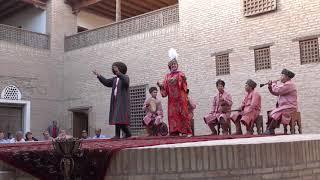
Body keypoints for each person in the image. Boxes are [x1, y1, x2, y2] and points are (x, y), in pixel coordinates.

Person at [157, 48, 192, 136]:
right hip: (172, 101)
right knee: (173, 116)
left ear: (177, 65)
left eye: (174, 64)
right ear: (169, 66)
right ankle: (174, 131)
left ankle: (186, 131)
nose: (173, 66)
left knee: (183, 114)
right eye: (171, 64)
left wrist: (178, 79)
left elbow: (183, 81)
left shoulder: (180, 73)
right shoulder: (167, 76)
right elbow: (165, 90)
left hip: (181, 98)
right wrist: (160, 86)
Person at [93, 61, 132, 139]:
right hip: (115, 101)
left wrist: (118, 72)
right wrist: (99, 76)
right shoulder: (114, 79)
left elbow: (126, 82)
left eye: (116, 68)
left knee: (118, 118)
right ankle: (128, 133)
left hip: (122, 102)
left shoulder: (125, 77)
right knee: (117, 119)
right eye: (114, 68)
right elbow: (106, 82)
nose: (114, 70)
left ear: (120, 69)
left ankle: (118, 135)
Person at [264, 69, 298, 135]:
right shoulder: (284, 85)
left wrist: (273, 84)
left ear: (287, 77)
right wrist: (270, 87)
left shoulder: (289, 85)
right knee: (271, 112)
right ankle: (270, 129)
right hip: (284, 106)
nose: (280, 77)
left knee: (278, 112)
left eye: (282, 75)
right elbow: (275, 92)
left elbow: (278, 90)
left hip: (290, 106)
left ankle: (270, 129)